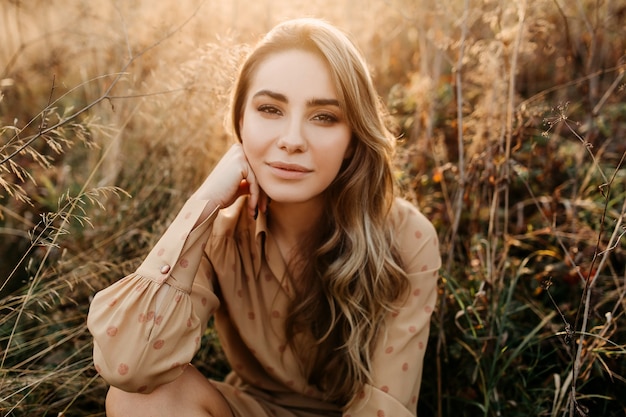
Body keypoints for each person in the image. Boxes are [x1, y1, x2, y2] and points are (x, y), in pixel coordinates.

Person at [87, 17, 441, 417]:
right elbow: (129, 366)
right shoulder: (218, 233)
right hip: (251, 410)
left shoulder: (408, 237)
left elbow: (386, 407)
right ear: (241, 121)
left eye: (324, 116)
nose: (291, 140)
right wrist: (203, 203)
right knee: (140, 399)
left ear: (353, 138)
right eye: (270, 109)